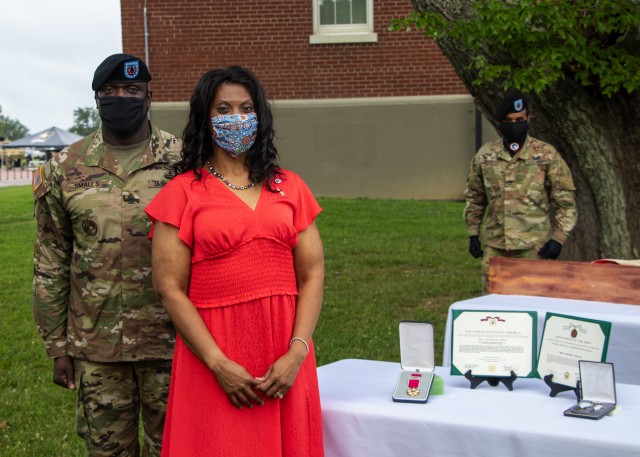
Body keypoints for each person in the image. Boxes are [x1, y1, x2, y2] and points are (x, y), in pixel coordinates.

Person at [145, 66, 325, 457]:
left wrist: (298, 351)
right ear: (204, 118)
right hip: (213, 358)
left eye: (246, 108)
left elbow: (312, 274)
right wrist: (218, 364)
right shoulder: (182, 192)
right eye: (223, 108)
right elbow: (169, 289)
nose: (236, 118)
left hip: (286, 355)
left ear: (260, 116)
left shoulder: (289, 186)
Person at [32, 53, 182, 456]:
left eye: (132, 90)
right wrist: (57, 346)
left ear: (149, 97)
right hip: (95, 346)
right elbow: (51, 261)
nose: (122, 97)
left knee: (173, 448)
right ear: (97, 99)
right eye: (111, 91)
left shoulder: (184, 163)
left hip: (172, 341)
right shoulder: (65, 167)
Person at [463, 90, 578, 293]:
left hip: (534, 249)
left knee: (534, 307)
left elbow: (565, 200)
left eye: (519, 119)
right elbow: (475, 197)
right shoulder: (485, 156)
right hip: (496, 247)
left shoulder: (546, 155)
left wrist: (558, 238)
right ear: (500, 122)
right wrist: (473, 233)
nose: (514, 124)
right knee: (493, 309)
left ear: (528, 119)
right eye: (509, 120)